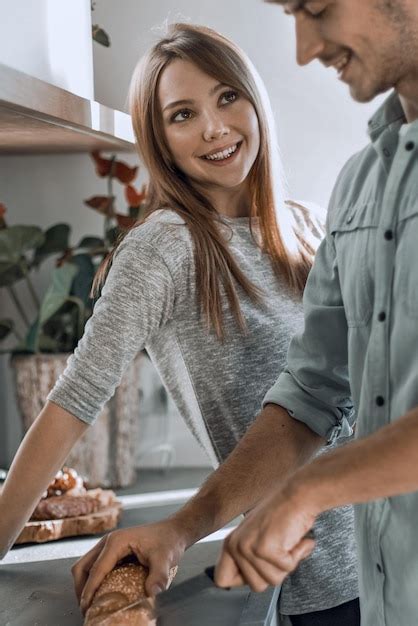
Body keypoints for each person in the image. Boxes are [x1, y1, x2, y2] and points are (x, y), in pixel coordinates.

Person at [0, 23, 359, 626]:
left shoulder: (313, 227)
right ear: (159, 140)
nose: (215, 127)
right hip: (319, 581)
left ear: (254, 100)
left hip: (399, 554)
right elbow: (76, 396)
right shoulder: (166, 247)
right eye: (183, 114)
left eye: (227, 97)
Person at [212, 2, 418, 625]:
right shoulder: (360, 183)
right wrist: (182, 528)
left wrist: (306, 492)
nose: (303, 49)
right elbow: (312, 391)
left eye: (317, 7)